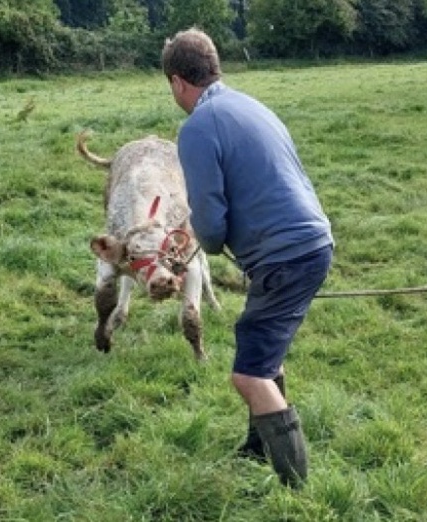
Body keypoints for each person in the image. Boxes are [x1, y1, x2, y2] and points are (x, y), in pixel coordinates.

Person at [162, 28, 334, 488]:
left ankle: (297, 491)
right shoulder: (251, 105)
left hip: (285, 256)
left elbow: (212, 226)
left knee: (248, 375)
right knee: (262, 352)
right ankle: (257, 450)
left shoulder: (198, 125)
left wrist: (202, 240)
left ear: (178, 82)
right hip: (311, 242)